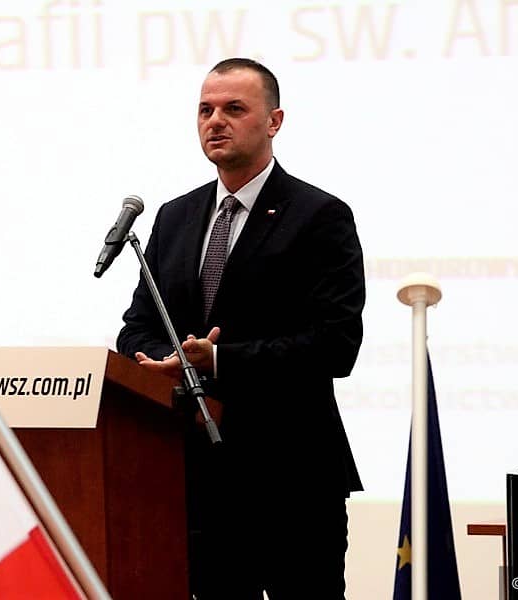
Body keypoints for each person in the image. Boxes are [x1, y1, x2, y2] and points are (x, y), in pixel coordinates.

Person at [116, 57, 365, 599]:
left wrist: (221, 360)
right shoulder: (174, 216)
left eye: (234, 108)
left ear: (274, 121)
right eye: (205, 110)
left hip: (292, 478)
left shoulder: (319, 215)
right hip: (197, 479)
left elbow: (336, 344)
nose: (215, 121)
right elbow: (137, 327)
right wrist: (163, 359)